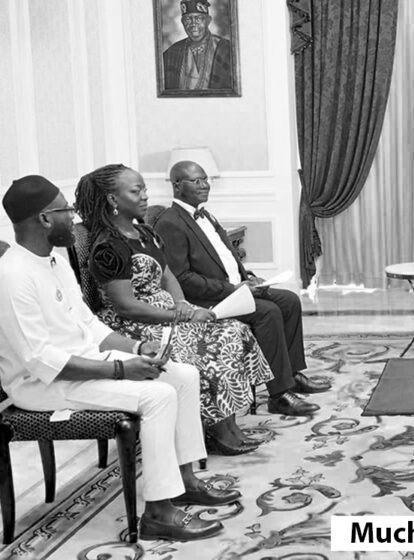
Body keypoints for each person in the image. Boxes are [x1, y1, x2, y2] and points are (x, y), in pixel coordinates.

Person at [0, 175, 239, 541]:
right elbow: (40, 361)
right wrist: (118, 370)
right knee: (158, 396)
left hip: (81, 362)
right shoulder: (13, 275)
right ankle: (158, 511)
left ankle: (185, 478)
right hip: (42, 385)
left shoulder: (54, 262)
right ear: (45, 219)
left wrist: (137, 349)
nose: (74, 215)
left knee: (183, 375)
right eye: (65, 209)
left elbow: (90, 326)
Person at [75, 164, 273, 456]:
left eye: (144, 188)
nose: (145, 195)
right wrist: (178, 316)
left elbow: (167, 275)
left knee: (234, 331)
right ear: (113, 200)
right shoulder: (108, 246)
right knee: (209, 346)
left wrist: (183, 305)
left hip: (169, 314)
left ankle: (227, 424)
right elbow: (126, 306)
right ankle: (217, 430)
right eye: (136, 190)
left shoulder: (144, 232)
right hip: (136, 325)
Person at [153, 161, 328, 417]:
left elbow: (226, 259)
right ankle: (279, 394)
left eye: (205, 179)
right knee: (267, 312)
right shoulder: (170, 222)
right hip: (207, 300)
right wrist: (232, 289)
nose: (204, 185)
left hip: (234, 289)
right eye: (196, 180)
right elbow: (182, 278)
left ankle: (291, 374)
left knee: (289, 300)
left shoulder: (206, 214)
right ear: (177, 185)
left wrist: (249, 279)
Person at [162, 0, 234, 91]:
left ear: (208, 20)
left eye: (199, 18)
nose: (193, 24)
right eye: (188, 19)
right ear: (182, 22)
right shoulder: (170, 54)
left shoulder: (227, 50)